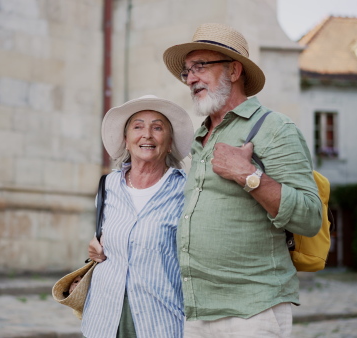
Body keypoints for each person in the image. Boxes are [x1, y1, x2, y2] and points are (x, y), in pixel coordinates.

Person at [162, 23, 323, 337]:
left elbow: (309, 216)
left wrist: (248, 175)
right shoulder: (199, 137)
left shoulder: (275, 128)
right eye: (187, 71)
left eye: (200, 67)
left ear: (234, 70)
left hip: (253, 309)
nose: (191, 78)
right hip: (197, 310)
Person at [81, 95, 194, 338]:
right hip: (103, 319)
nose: (147, 135)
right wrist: (95, 244)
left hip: (160, 320)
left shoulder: (187, 190)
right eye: (138, 126)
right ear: (126, 139)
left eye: (157, 127)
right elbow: (103, 237)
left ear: (170, 141)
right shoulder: (108, 185)